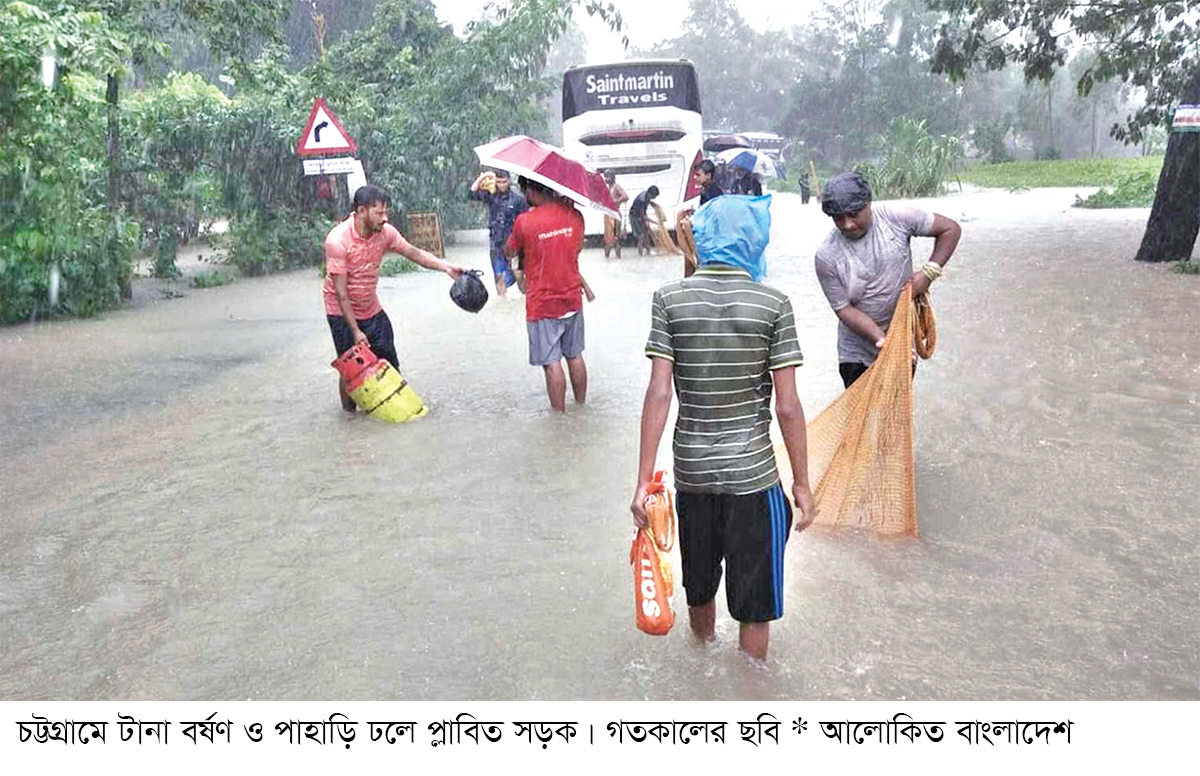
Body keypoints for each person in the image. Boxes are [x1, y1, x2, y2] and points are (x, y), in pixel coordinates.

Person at [630, 195, 815, 661]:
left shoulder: (669, 300)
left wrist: (642, 482)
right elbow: (788, 408)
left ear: (704, 239)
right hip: (752, 478)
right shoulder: (773, 304)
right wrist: (802, 483)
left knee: (700, 588)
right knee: (755, 608)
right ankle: (750, 699)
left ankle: (704, 676)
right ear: (755, 240)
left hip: (692, 475)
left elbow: (658, 393)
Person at [324, 184, 466, 412]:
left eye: (386, 212)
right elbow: (341, 293)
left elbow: (414, 253)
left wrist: (446, 267)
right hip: (340, 311)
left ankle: (398, 407)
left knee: (388, 358)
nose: (385, 218)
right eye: (379, 213)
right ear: (361, 211)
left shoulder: (386, 232)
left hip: (370, 307)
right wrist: (356, 331)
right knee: (350, 366)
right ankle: (349, 417)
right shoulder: (337, 241)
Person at [814, 171, 962, 389]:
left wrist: (929, 273)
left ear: (868, 204)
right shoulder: (827, 256)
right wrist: (882, 340)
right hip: (855, 353)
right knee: (862, 417)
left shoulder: (897, 217)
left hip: (902, 340)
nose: (847, 224)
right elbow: (844, 310)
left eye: (854, 214)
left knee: (896, 412)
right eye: (838, 217)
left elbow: (950, 229)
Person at [504, 177, 590, 412]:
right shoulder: (575, 216)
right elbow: (577, 249)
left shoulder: (524, 222)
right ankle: (581, 407)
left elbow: (510, 250)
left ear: (530, 190)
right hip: (572, 298)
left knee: (552, 363)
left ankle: (559, 418)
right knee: (575, 355)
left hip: (542, 303)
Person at [469, 168, 527, 298]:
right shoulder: (491, 196)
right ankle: (502, 303)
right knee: (499, 277)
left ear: (509, 181)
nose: (501, 185)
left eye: (504, 182)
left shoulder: (518, 200)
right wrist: (481, 178)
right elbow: (471, 194)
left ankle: (527, 299)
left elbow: (526, 222)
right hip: (496, 244)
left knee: (519, 276)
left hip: (514, 246)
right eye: (499, 182)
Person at [602, 171, 629, 258]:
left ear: (613, 177)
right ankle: (607, 259)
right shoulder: (608, 188)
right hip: (608, 215)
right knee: (607, 239)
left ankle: (618, 257)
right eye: (605, 177)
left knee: (616, 238)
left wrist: (614, 202)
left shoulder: (616, 186)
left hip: (615, 215)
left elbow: (625, 197)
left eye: (607, 177)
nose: (605, 179)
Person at [628, 185, 659, 256]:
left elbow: (644, 212)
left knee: (646, 233)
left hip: (639, 215)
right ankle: (640, 254)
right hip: (634, 217)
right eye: (654, 196)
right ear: (651, 194)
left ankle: (648, 251)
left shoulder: (646, 196)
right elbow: (642, 215)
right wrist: (651, 221)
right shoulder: (643, 199)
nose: (655, 198)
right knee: (641, 236)